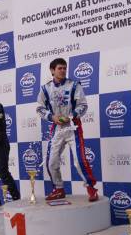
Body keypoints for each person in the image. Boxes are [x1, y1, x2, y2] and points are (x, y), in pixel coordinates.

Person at [36, 58, 99, 202]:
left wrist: (71, 116)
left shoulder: (74, 85)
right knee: (51, 161)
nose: (63, 70)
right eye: (60, 68)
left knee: (79, 161)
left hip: (72, 127)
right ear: (52, 70)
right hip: (57, 127)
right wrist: (52, 117)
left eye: (64, 68)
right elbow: (39, 108)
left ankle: (91, 188)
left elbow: (83, 105)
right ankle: (58, 189)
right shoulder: (45, 88)